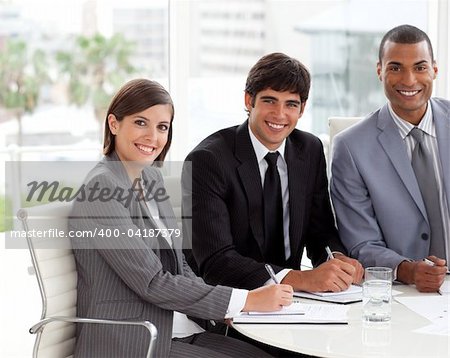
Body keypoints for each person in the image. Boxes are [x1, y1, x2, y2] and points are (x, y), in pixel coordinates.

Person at [68, 79, 294, 358]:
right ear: (114, 124)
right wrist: (244, 300)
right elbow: (151, 281)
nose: (153, 136)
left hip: (176, 327)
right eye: (141, 123)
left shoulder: (150, 177)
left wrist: (224, 307)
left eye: (162, 127)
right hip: (132, 340)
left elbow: (180, 266)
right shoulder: (101, 189)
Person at [182, 52, 363, 294]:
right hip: (233, 300)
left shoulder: (309, 150)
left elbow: (320, 230)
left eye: (291, 104)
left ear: (302, 109)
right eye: (269, 100)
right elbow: (216, 262)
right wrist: (301, 279)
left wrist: (337, 259)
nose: (279, 114)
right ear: (249, 101)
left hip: (296, 300)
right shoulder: (208, 160)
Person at [330, 24, 449, 292]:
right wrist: (408, 270)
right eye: (395, 68)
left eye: (420, 67)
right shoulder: (350, 147)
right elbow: (361, 243)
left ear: (434, 70)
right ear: (379, 71)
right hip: (402, 292)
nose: (409, 80)